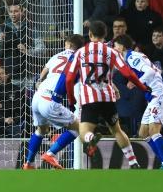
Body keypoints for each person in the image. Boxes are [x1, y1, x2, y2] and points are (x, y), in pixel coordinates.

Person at [64, 20, 149, 168]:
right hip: (108, 97)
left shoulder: (80, 52)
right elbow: (128, 73)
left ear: (90, 34)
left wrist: (71, 100)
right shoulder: (112, 52)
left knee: (84, 132)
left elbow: (69, 79)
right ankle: (134, 162)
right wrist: (142, 87)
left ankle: (91, 138)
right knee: (117, 130)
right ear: (105, 35)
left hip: (89, 99)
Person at [24, 34, 89, 169]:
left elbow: (45, 71)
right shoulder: (80, 60)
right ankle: (51, 153)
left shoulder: (57, 55)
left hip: (37, 97)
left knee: (41, 130)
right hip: (50, 100)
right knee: (78, 128)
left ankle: (28, 163)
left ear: (69, 45)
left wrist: (39, 81)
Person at [113, 34, 163, 169]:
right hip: (151, 98)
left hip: (158, 95)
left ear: (122, 46)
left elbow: (150, 72)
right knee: (143, 133)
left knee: (154, 131)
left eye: (115, 45)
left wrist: (137, 83)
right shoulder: (128, 59)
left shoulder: (133, 57)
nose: (114, 48)